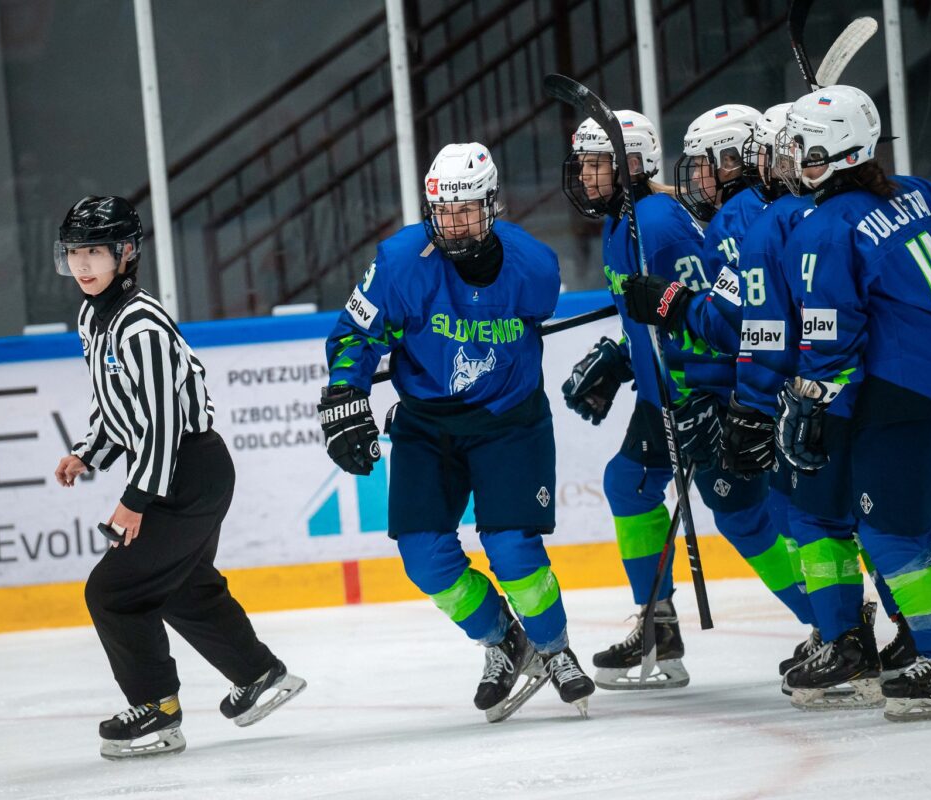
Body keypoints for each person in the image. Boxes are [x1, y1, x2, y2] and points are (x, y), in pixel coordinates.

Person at [319, 143, 594, 722]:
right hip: (427, 424)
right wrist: (347, 392)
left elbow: (532, 318)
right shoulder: (398, 263)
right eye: (444, 212)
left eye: (467, 210)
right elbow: (354, 334)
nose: (454, 223)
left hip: (507, 420)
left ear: (492, 204)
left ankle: (553, 646)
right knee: (424, 557)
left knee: (512, 546)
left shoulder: (534, 266)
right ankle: (503, 640)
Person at [622, 104, 882, 710]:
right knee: (828, 518)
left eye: (708, 164)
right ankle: (857, 632)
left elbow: (742, 322)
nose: (698, 179)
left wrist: (672, 306)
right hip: (825, 382)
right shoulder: (787, 207)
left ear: (738, 157)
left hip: (794, 389)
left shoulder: (740, 216)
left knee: (808, 520)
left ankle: (849, 636)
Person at [771, 85, 931, 720]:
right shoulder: (917, 190)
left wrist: (812, 401)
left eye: (801, 145)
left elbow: (830, 332)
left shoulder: (821, 228)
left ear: (829, 152)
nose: (792, 156)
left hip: (903, 393)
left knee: (889, 533)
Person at [560, 109, 809, 691]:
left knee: (746, 516)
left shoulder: (659, 224)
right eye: (586, 165)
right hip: (663, 394)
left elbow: (713, 314)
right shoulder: (625, 223)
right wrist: (624, 358)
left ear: (632, 165)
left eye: (597, 164)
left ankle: (836, 624)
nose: (587, 177)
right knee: (628, 483)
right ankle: (658, 626)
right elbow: (650, 313)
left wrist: (702, 389)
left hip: (700, 393)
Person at [53, 195, 305, 760]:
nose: (83, 265)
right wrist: (87, 451)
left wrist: (136, 498)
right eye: (74, 254)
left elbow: (164, 421)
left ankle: (157, 712)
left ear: (125, 253)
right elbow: (117, 403)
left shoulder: (141, 323)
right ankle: (260, 675)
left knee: (113, 591)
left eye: (95, 252)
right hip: (177, 469)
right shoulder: (93, 316)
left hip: (186, 469)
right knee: (181, 586)